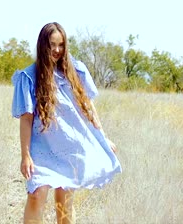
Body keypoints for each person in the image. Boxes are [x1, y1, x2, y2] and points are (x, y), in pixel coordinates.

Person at [11, 22, 122, 224]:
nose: (56, 50)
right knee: (36, 194)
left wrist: (104, 137)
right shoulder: (29, 77)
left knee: (64, 201)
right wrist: (25, 155)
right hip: (41, 147)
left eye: (60, 45)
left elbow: (88, 108)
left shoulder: (75, 71)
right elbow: (26, 120)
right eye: (51, 45)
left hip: (68, 144)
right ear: (42, 46)